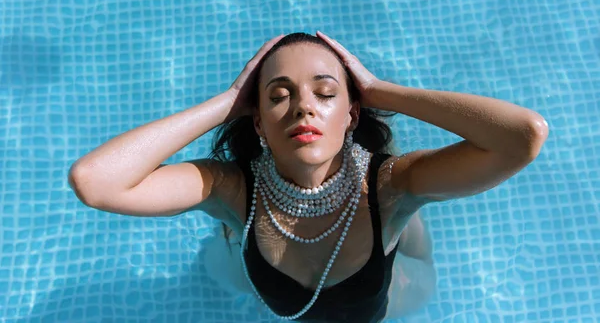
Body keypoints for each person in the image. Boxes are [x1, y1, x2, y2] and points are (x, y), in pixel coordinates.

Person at [68, 32, 549, 322]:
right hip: (262, 254)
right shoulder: (229, 189)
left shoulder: (391, 185)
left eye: (325, 93)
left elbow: (522, 136)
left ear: (351, 113)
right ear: (258, 122)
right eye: (277, 96)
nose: (302, 106)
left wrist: (382, 91)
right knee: (217, 268)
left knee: (416, 253)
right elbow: (95, 181)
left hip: (384, 294)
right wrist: (227, 101)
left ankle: (406, 231)